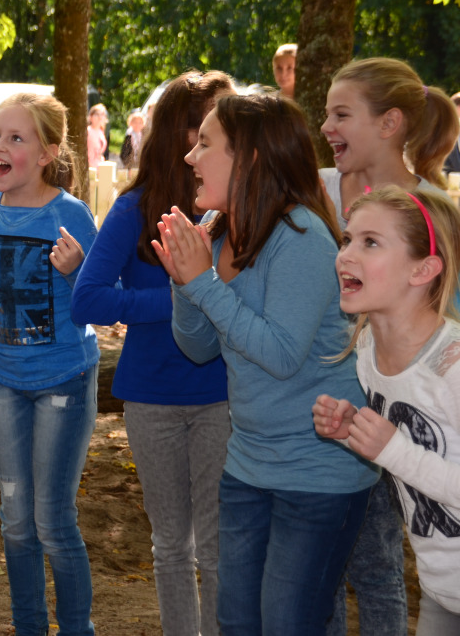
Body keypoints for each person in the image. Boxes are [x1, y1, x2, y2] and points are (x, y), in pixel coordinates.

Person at [152, 94, 379, 635]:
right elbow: (199, 348)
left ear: (250, 158)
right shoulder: (220, 227)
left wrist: (203, 282)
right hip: (250, 464)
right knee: (236, 621)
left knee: (287, 624)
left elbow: (280, 354)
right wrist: (185, 283)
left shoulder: (301, 235)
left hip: (318, 470)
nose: (190, 157)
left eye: (205, 144)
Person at [71, 71, 233, 636]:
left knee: (216, 547)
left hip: (222, 396)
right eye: (217, 119)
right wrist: (180, 294)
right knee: (170, 544)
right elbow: (87, 299)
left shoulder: (237, 206)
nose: (232, 129)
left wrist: (203, 290)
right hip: (152, 399)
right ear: (186, 133)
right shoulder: (134, 207)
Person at [0, 92, 99, 636]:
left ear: (48, 153)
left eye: (15, 138)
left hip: (64, 380)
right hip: (6, 381)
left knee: (52, 520)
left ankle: (76, 628)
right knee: (14, 521)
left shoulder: (70, 215)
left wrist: (77, 270)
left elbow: (100, 302)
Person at [319, 56, 459, 636]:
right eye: (347, 239)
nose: (345, 256)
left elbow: (411, 451)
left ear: (423, 270)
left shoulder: (452, 365)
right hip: (443, 589)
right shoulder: (367, 359)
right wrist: (356, 427)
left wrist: (393, 449)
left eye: (369, 243)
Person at [86, 102, 108, 168]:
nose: (100, 117)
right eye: (96, 114)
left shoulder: (101, 131)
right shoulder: (88, 131)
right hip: (89, 167)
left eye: (102, 114)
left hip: (100, 166)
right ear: (90, 117)